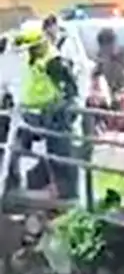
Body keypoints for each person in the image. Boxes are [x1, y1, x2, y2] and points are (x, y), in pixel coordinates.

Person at [4, 21, 78, 199]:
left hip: (50, 114)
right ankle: (11, 185)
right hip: (29, 113)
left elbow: (70, 90)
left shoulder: (53, 61)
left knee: (59, 154)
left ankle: (65, 192)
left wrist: (58, 109)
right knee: (13, 148)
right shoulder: (32, 56)